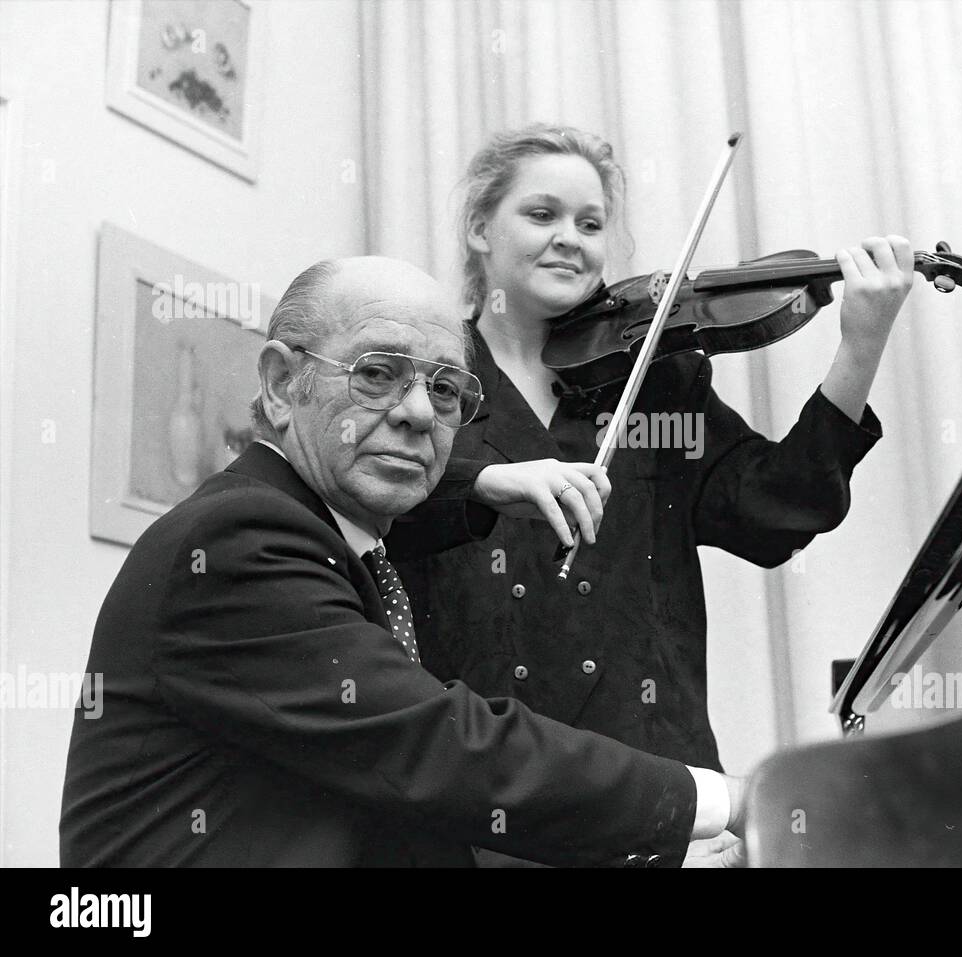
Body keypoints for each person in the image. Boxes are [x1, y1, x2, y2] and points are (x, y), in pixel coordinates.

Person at [59, 256, 742, 867]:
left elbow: (410, 829)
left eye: (447, 390)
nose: (419, 412)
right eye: (377, 373)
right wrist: (713, 800)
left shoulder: (341, 545)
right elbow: (446, 749)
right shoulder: (242, 539)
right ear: (279, 384)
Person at [389, 125, 914, 774]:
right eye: (541, 214)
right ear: (479, 228)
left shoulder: (657, 380)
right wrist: (488, 480)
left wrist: (860, 347)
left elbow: (776, 510)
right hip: (484, 774)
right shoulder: (426, 380)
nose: (569, 239)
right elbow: (377, 512)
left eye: (590, 224)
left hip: (653, 764)